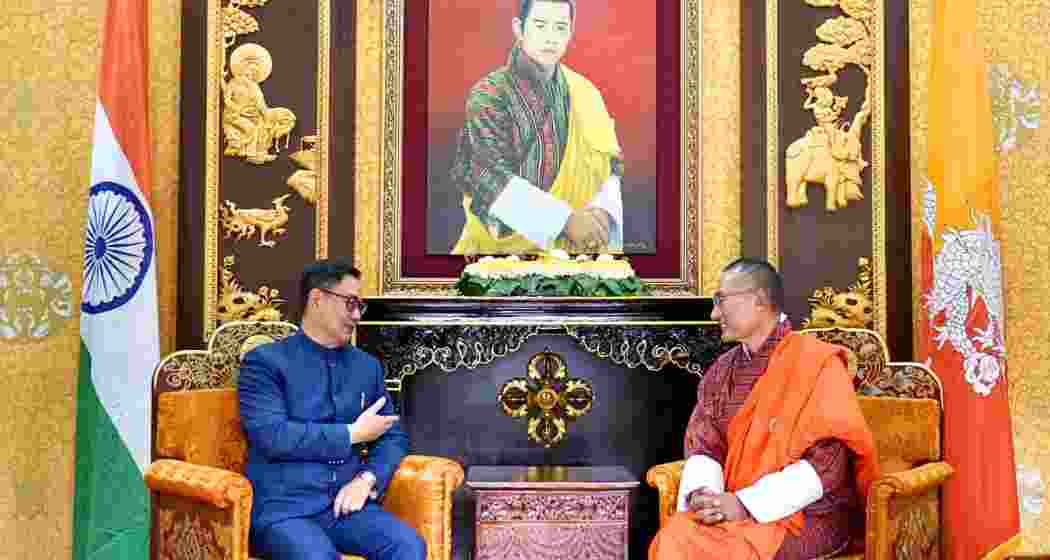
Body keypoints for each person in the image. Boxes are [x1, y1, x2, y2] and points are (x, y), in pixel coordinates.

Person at [649, 258, 880, 560]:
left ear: (757, 300)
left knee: (717, 550)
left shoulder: (816, 363)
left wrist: (744, 504)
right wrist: (706, 499)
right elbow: (706, 446)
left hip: (805, 517)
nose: (714, 313)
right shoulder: (723, 371)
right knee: (676, 536)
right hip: (731, 511)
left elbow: (828, 465)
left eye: (722, 301)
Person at [238, 259, 425, 560]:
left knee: (408, 546)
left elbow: (392, 437)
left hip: (345, 506)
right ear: (317, 299)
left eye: (359, 306)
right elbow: (272, 435)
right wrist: (352, 434)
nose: (356, 315)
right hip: (286, 512)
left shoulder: (367, 367)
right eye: (350, 303)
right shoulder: (265, 363)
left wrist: (367, 480)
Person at [449, 0, 625, 255]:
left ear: (570, 33)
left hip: (578, 250)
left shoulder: (585, 92)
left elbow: (611, 163)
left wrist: (602, 214)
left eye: (560, 27)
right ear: (519, 29)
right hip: (500, 255)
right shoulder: (489, 93)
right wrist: (565, 221)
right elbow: (488, 175)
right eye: (540, 25)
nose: (550, 38)